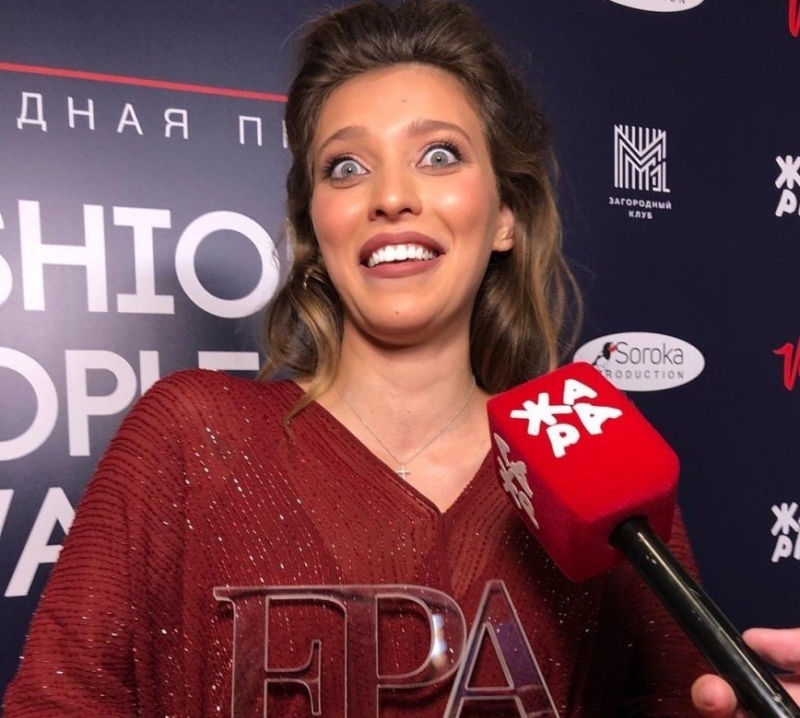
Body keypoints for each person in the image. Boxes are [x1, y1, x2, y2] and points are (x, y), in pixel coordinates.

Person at [2, 1, 791, 716]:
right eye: (346, 167)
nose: (390, 196)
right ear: (316, 226)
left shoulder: (585, 455)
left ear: (506, 216)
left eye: (440, 155)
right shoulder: (186, 437)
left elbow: (685, 701)